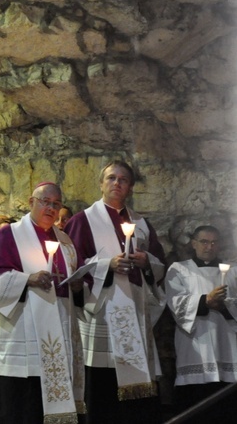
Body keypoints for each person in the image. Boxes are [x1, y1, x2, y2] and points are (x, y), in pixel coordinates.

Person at [64, 160, 166, 424]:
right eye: (111, 178)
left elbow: (159, 263)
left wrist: (146, 262)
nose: (117, 183)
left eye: (123, 179)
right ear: (101, 183)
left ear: (130, 187)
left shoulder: (141, 223)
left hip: (134, 306)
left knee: (137, 393)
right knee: (103, 383)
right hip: (101, 312)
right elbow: (70, 264)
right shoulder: (82, 220)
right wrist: (107, 265)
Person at [0, 182, 85, 423]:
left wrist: (77, 287)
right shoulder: (8, 235)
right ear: (31, 202)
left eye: (56, 204)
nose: (50, 208)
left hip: (58, 334)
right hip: (21, 340)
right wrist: (27, 280)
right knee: (21, 410)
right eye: (44, 201)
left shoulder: (66, 242)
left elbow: (70, 284)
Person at [165, 225, 237, 418]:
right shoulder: (179, 270)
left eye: (214, 242)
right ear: (194, 243)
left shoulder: (233, 273)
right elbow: (175, 303)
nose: (209, 246)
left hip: (228, 345)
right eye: (204, 241)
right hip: (195, 347)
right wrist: (206, 301)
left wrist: (224, 306)